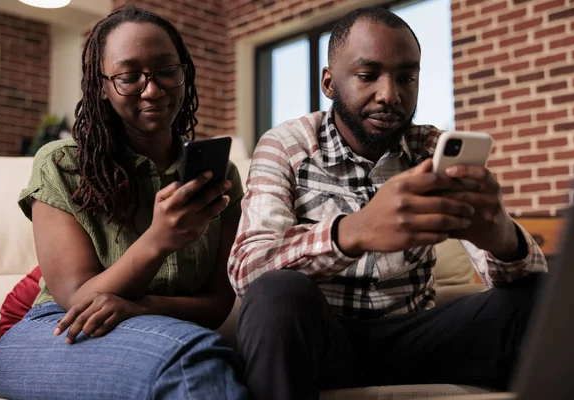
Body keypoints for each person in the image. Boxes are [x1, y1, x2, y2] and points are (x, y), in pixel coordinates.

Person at [229, 7, 548, 400]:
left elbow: (520, 288)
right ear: (329, 82)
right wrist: (353, 232)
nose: (390, 95)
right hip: (326, 339)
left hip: (417, 337)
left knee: (543, 299)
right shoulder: (286, 145)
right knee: (275, 294)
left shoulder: (432, 149)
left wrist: (501, 238)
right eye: (367, 76)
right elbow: (249, 270)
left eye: (406, 77)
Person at [0, 5, 247, 400]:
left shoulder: (219, 174)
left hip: (159, 334)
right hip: (55, 331)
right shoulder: (62, 164)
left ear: (184, 72)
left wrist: (139, 309)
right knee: (192, 362)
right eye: (128, 77)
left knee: (203, 358)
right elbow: (79, 299)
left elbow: (216, 304)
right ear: (101, 85)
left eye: (167, 70)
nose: (153, 89)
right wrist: (159, 240)